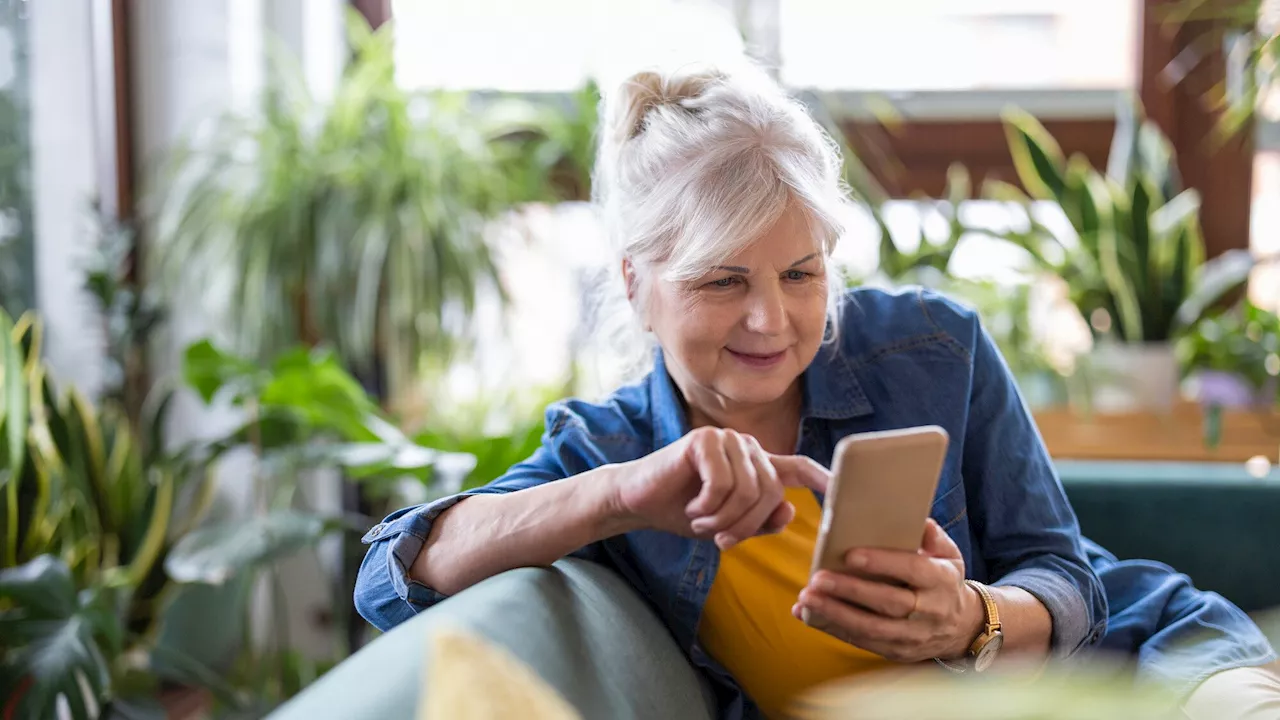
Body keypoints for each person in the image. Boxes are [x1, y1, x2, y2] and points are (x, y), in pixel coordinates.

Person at [355, 62, 1276, 719]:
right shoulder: (616, 452)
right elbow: (391, 574)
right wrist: (628, 494)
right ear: (636, 285)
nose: (773, 322)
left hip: (1156, 663)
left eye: (801, 274)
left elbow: (1072, 578)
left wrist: (972, 621)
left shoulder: (927, 349)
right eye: (723, 282)